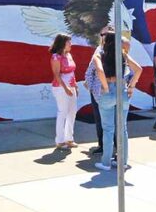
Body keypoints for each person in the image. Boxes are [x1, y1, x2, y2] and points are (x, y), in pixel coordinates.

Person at [92, 34, 142, 171]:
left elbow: (100, 71)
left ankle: (106, 162)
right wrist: (131, 86)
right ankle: (123, 161)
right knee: (123, 128)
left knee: (108, 129)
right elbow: (138, 69)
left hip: (108, 90)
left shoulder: (99, 55)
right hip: (122, 89)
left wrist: (106, 87)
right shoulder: (123, 54)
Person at [83, 26, 113, 155]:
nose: (103, 37)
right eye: (102, 34)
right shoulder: (98, 51)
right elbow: (91, 72)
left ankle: (116, 146)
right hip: (98, 91)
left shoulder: (120, 51)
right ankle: (102, 145)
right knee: (100, 119)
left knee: (115, 120)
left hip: (114, 90)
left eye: (106, 35)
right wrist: (92, 87)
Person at [49, 33, 79, 150]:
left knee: (72, 112)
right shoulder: (56, 57)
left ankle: (69, 138)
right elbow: (56, 74)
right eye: (68, 42)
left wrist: (75, 86)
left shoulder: (69, 55)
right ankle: (60, 140)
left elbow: (72, 72)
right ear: (63, 43)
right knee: (63, 112)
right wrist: (66, 88)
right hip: (61, 87)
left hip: (71, 87)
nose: (71, 44)